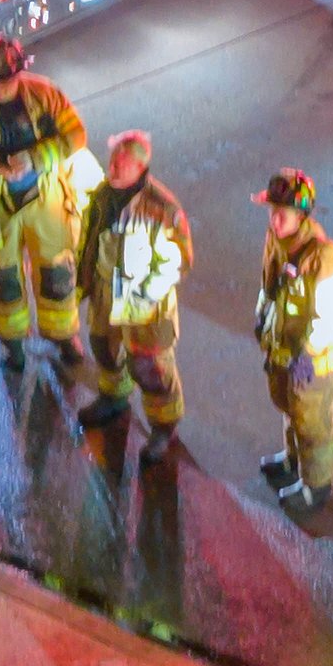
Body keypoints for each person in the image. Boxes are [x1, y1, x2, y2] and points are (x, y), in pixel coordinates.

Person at [0, 38, 92, 378]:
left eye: (7, 81)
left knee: (56, 272)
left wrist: (36, 158)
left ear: (19, 73)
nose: (0, 89)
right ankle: (12, 343)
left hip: (46, 198)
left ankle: (63, 336)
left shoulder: (46, 94)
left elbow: (75, 135)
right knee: (5, 277)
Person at [74, 129, 193, 440]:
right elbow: (89, 240)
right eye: (112, 159)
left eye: (122, 163)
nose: (112, 167)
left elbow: (178, 261)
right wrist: (82, 280)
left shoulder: (161, 208)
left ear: (140, 168)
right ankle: (113, 398)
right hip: (105, 292)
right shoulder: (103, 195)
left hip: (144, 304)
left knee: (150, 368)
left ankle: (163, 427)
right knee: (104, 348)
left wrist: (144, 296)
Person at [252, 169, 333, 514]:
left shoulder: (323, 256)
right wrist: (262, 314)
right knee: (290, 409)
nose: (275, 220)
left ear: (302, 216)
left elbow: (332, 313)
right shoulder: (275, 240)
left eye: (283, 214)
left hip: (311, 362)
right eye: (272, 211)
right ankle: (293, 462)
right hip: (283, 350)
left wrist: (308, 353)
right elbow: (269, 285)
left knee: (312, 423)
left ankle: (316, 486)